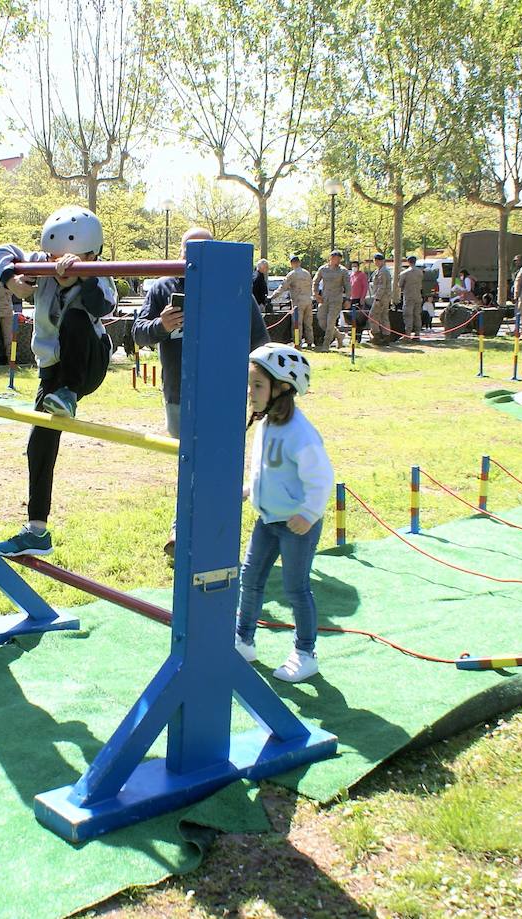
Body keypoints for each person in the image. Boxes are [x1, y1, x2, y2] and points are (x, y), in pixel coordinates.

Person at [0, 206, 116, 558]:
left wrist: (82, 277)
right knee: (38, 444)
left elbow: (102, 306)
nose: (62, 263)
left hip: (88, 364)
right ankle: (37, 530)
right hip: (52, 370)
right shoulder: (41, 265)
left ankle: (70, 396)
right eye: (57, 256)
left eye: (74, 257)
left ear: (92, 254)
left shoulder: (100, 275)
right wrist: (12, 278)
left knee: (75, 316)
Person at [134, 226, 270, 554]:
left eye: (206, 250)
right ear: (181, 254)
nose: (197, 257)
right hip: (179, 393)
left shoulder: (234, 286)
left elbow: (260, 341)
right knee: (192, 462)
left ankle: (195, 534)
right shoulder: (163, 287)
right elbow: (138, 334)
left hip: (226, 392)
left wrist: (259, 389)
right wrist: (161, 326)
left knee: (219, 463)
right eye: (191, 251)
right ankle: (192, 532)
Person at [233, 343, 332, 683]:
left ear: (283, 389)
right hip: (267, 519)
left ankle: (306, 653)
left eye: (258, 386)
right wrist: (251, 490)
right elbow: (265, 468)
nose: (250, 392)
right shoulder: (266, 424)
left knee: (295, 588)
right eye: (250, 385)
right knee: (251, 579)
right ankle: (243, 640)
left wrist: (308, 512)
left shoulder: (300, 433)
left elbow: (321, 478)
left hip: (296, 525)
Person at [312, 249, 349, 349]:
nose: (337, 261)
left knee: (331, 321)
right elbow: (315, 282)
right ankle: (339, 335)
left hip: (336, 299)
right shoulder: (323, 269)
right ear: (331, 258)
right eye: (335, 258)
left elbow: (348, 286)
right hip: (324, 299)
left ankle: (326, 344)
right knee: (322, 322)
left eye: (339, 259)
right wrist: (316, 294)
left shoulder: (343, 271)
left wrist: (348, 299)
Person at [280, 255, 314, 349]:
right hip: (308, 300)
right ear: (299, 262)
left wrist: (272, 297)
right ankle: (310, 342)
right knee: (308, 323)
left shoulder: (292, 274)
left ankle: (297, 342)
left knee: (297, 323)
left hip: (298, 302)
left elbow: (282, 287)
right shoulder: (307, 273)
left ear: (292, 263)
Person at [398, 255, 424, 340]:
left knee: (408, 315)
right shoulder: (420, 272)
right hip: (418, 296)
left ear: (408, 262)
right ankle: (417, 334)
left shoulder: (405, 273)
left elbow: (400, 285)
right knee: (417, 315)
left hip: (409, 296)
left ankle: (407, 334)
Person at [368, 253, 393, 345]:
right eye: (375, 260)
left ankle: (376, 335)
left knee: (373, 316)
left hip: (381, 297)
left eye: (378, 260)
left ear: (382, 261)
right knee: (383, 317)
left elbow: (382, 286)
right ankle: (385, 336)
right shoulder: (380, 270)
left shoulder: (383, 271)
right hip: (384, 297)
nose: (376, 262)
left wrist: (377, 299)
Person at [348, 259, 369, 339]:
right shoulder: (351, 275)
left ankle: (358, 336)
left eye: (355, 266)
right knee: (352, 318)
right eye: (353, 266)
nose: (354, 267)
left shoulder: (362, 275)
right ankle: (353, 336)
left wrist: (362, 298)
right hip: (351, 299)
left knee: (359, 318)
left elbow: (365, 287)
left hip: (359, 299)